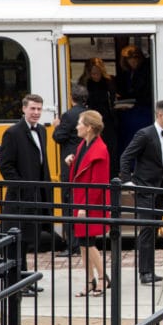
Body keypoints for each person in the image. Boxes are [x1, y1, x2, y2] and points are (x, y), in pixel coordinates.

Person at [119, 99, 163, 285]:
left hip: (161, 189)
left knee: (153, 229)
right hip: (144, 188)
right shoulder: (144, 134)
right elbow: (126, 157)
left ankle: (150, 270)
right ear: (160, 115)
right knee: (146, 229)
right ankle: (145, 272)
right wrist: (128, 181)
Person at [0, 94, 52, 291]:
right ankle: (16, 283)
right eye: (33, 109)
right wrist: (23, 186)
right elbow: (5, 166)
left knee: (28, 240)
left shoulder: (43, 131)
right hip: (19, 197)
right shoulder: (13, 133)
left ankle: (24, 281)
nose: (36, 113)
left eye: (39, 109)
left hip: (36, 196)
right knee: (17, 241)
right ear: (24, 109)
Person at [68, 110, 110, 297]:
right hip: (81, 201)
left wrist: (86, 206)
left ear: (89, 127)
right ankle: (90, 281)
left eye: (80, 123)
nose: (77, 126)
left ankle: (102, 279)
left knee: (88, 242)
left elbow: (97, 184)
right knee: (83, 243)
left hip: (89, 203)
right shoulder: (83, 145)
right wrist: (72, 160)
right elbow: (82, 169)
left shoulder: (99, 149)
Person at [52, 83, 88, 257]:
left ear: (72, 98)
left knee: (68, 203)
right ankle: (82, 241)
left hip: (70, 164)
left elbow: (59, 137)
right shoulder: (90, 114)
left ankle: (72, 245)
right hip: (84, 162)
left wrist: (57, 126)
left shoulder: (69, 115)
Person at [79, 58, 117, 172]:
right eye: (92, 73)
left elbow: (113, 98)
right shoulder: (84, 83)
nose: (95, 75)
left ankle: (112, 173)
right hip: (91, 119)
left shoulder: (108, 81)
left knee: (110, 146)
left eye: (98, 73)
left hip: (108, 118)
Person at [116, 45, 154, 155]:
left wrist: (133, 101)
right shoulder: (127, 73)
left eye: (136, 58)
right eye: (129, 58)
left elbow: (146, 93)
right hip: (129, 111)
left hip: (143, 110)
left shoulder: (146, 71)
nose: (133, 61)